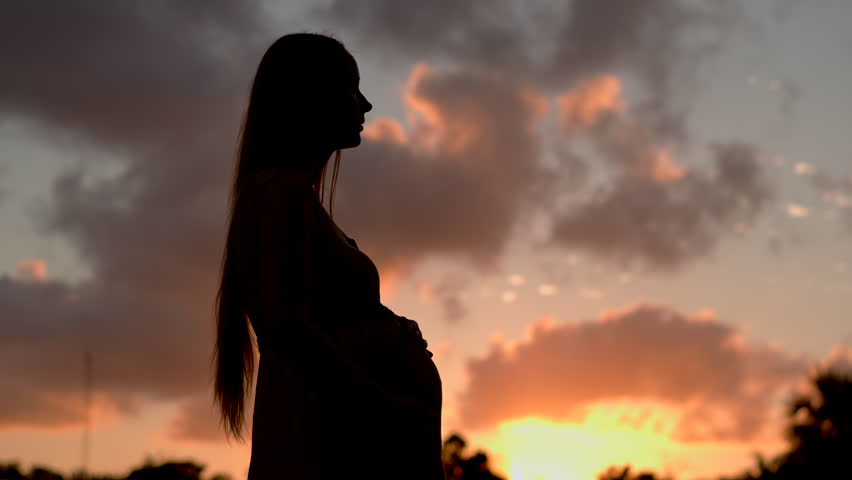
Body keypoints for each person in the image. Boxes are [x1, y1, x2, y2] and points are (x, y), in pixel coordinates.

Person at [212, 33, 446, 479]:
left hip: (341, 439)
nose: (366, 104)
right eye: (351, 88)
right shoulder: (282, 193)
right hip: (329, 443)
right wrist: (388, 406)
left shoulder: (287, 194)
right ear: (309, 96)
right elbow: (290, 329)